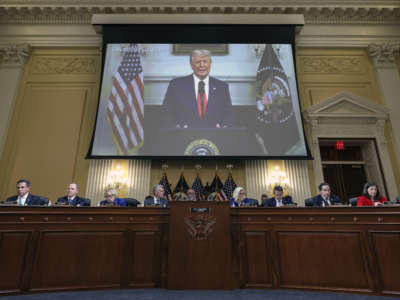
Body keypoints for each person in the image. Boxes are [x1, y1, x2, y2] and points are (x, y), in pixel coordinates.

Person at [162, 49, 233, 129]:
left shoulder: (222, 87)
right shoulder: (176, 85)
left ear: (210, 64)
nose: (202, 65)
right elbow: (167, 111)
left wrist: (223, 127)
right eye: (198, 62)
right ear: (191, 65)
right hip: (183, 136)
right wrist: (176, 127)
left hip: (214, 137)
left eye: (205, 61)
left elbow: (229, 113)